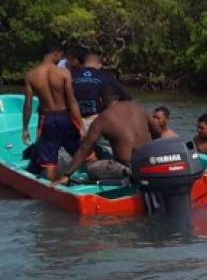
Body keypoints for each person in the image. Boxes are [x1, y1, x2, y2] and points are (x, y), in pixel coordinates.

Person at [54, 87, 160, 184]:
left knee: (89, 167)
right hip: (149, 162)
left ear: (100, 100)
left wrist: (67, 174)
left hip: (128, 168)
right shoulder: (139, 108)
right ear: (117, 97)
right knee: (104, 151)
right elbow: (157, 133)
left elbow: (84, 149)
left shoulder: (102, 118)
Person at [22, 43, 83, 181]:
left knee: (48, 163)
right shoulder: (63, 73)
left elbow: (28, 106)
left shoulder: (31, 75)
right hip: (66, 118)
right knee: (83, 152)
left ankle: (53, 188)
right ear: (55, 53)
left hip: (47, 119)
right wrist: (81, 125)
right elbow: (72, 101)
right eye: (60, 55)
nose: (61, 58)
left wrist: (25, 128)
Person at [72, 51, 132, 130]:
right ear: (99, 64)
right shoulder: (105, 77)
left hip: (74, 120)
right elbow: (127, 98)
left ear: (84, 63)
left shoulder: (71, 75)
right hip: (96, 120)